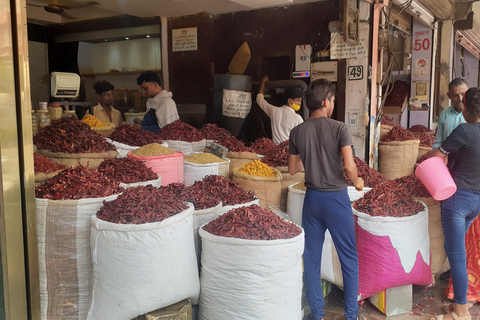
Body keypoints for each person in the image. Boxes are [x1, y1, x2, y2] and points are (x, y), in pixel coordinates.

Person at [288, 79, 364, 320]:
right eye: (332, 99)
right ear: (325, 101)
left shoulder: (297, 131)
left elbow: (292, 169)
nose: (333, 104)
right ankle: (351, 315)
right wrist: (358, 181)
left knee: (311, 257)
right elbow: (350, 167)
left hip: (312, 201)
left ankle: (318, 315)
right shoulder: (340, 128)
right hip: (336, 199)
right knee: (348, 257)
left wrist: (309, 154)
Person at [428, 87, 480, 320]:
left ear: (467, 107)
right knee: (453, 249)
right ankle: (461, 299)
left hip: (457, 199)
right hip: (477, 201)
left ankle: (460, 309)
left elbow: (436, 157)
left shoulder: (464, 131)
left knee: (456, 254)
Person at [256, 75, 304, 144]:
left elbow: (259, 99)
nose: (300, 103)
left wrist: (263, 82)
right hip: (289, 153)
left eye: (300, 101)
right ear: (290, 101)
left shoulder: (275, 111)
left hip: (275, 151)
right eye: (298, 100)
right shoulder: (297, 118)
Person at [433, 78, 469, 149]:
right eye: (455, 96)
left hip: (467, 158)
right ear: (449, 96)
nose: (460, 99)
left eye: (463, 94)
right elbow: (438, 142)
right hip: (448, 157)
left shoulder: (475, 114)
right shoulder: (445, 114)